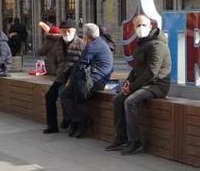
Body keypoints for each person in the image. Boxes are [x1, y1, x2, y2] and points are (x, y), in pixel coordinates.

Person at [105, 15, 171, 155]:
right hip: (143, 84)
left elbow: (151, 72)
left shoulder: (157, 45)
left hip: (157, 85)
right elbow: (136, 69)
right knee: (118, 99)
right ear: (134, 28)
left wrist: (132, 87)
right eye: (137, 26)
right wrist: (127, 82)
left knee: (130, 101)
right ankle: (121, 137)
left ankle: (135, 141)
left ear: (151, 26)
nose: (141, 28)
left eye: (143, 25)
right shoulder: (142, 43)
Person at [60, 23, 114, 138]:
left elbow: (81, 64)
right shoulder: (99, 43)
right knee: (66, 91)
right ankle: (74, 121)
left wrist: (70, 81)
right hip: (95, 78)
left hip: (96, 80)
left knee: (67, 94)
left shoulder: (92, 46)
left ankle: (81, 121)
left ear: (86, 36)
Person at [41, 20, 85, 133]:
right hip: (61, 76)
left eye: (69, 30)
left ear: (74, 31)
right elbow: (54, 60)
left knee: (65, 93)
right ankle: (52, 126)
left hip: (74, 78)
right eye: (63, 31)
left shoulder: (81, 43)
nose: (66, 33)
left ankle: (70, 120)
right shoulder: (58, 43)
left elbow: (84, 63)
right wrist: (57, 72)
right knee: (50, 96)